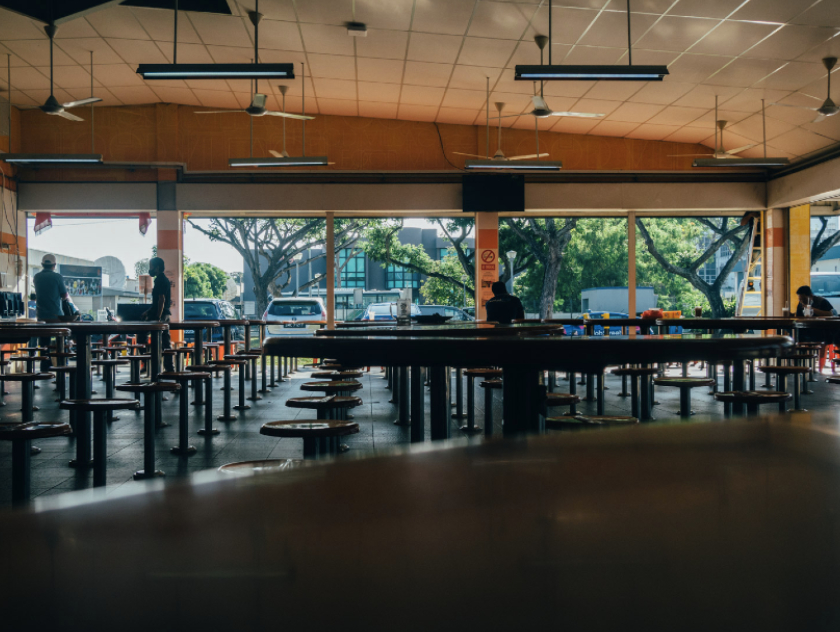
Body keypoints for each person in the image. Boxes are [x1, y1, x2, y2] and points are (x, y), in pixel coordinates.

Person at [33, 253, 69, 371]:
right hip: (56, 316)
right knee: (61, 341)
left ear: (42, 265)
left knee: (44, 343)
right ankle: (61, 364)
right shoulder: (57, 277)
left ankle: (45, 367)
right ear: (54, 265)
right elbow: (64, 295)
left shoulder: (36, 277)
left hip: (41, 316)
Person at [142, 257, 175, 372]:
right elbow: (158, 301)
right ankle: (168, 367)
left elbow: (161, 299)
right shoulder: (162, 279)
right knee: (165, 342)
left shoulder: (160, 280)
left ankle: (147, 363)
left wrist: (157, 317)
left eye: (151, 267)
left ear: (157, 268)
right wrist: (148, 311)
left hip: (161, 315)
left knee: (143, 334)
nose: (150, 269)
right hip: (163, 313)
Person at [795, 285, 837, 373]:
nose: (801, 301)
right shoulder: (801, 304)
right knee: (796, 337)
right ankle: (803, 365)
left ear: (810, 296)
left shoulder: (822, 301)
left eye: (803, 299)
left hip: (823, 329)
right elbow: (798, 317)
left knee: (822, 340)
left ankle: (819, 368)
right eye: (800, 299)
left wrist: (812, 309)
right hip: (808, 330)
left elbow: (830, 314)